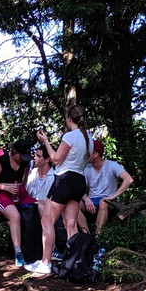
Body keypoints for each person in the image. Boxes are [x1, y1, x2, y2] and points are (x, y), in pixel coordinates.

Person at [25, 104, 93, 275]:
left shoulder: (70, 136)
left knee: (47, 220)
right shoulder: (89, 139)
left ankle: (45, 263)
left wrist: (46, 141)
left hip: (65, 180)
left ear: (69, 118)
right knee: (70, 224)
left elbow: (55, 159)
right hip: (79, 181)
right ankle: (73, 263)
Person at [0, 139, 36, 266]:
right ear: (14, 152)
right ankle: (18, 252)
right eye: (20, 155)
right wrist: (5, 187)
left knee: (40, 206)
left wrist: (22, 189)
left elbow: (24, 179)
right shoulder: (1, 161)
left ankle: (44, 247)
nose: (22, 159)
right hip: (2, 193)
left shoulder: (25, 162)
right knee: (15, 216)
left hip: (19, 191)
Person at [77, 139, 133, 235]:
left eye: (88, 151)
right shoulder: (87, 168)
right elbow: (77, 186)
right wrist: (86, 198)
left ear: (95, 154)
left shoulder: (112, 165)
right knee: (74, 204)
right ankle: (86, 234)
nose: (85, 154)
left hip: (108, 200)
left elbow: (128, 179)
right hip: (92, 200)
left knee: (103, 202)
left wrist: (113, 197)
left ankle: (99, 235)